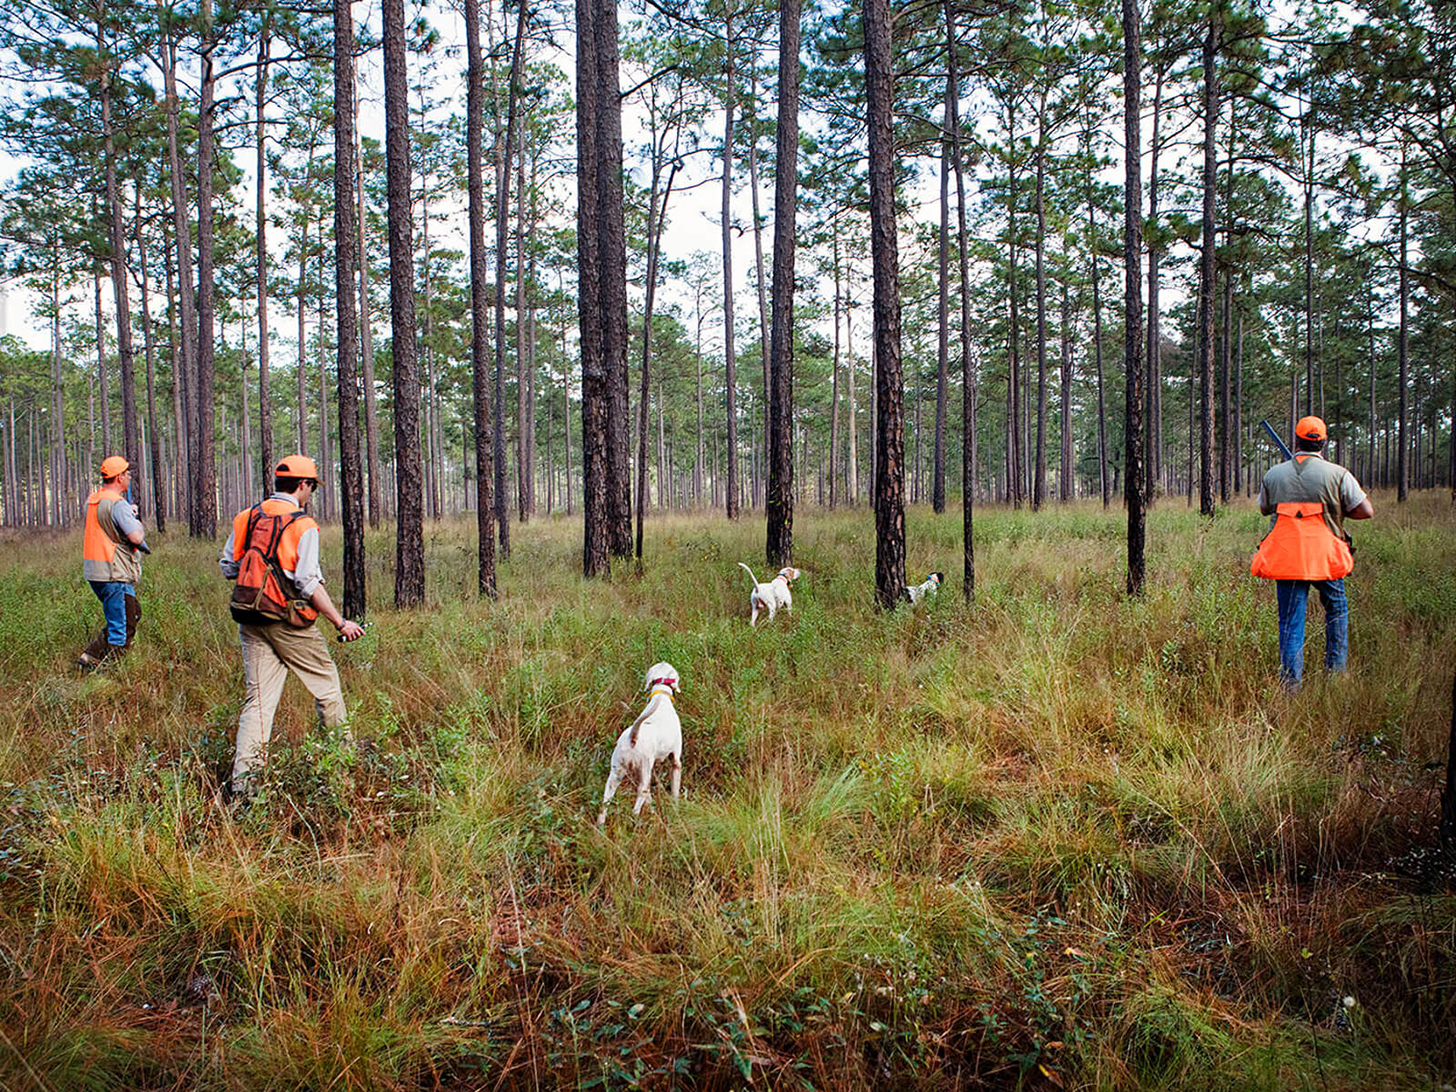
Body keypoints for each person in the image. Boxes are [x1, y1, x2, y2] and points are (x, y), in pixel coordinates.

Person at [219, 454, 364, 798]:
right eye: (311, 487)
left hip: (251, 618)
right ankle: (342, 769)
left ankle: (244, 789)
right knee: (327, 688)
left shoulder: (246, 517)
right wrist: (340, 622)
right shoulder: (303, 525)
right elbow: (308, 583)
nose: (310, 493)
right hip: (290, 622)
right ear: (303, 485)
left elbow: (228, 567)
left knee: (257, 702)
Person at [1252, 416, 1374, 688]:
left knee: (1290, 623)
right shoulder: (1338, 474)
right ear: (1323, 442)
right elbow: (1366, 511)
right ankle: (1336, 674)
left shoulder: (1274, 474)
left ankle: (1291, 685)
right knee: (1337, 611)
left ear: (1296, 440)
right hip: (1326, 558)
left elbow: (1264, 508)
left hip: (1288, 559)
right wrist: (1337, 510)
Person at [80, 456, 146, 668]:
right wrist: (135, 519)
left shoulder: (95, 499)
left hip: (96, 572)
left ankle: (91, 656)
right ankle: (115, 672)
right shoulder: (118, 504)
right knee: (122, 625)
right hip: (113, 572)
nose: (129, 478)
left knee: (132, 612)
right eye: (127, 474)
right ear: (119, 478)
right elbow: (136, 537)